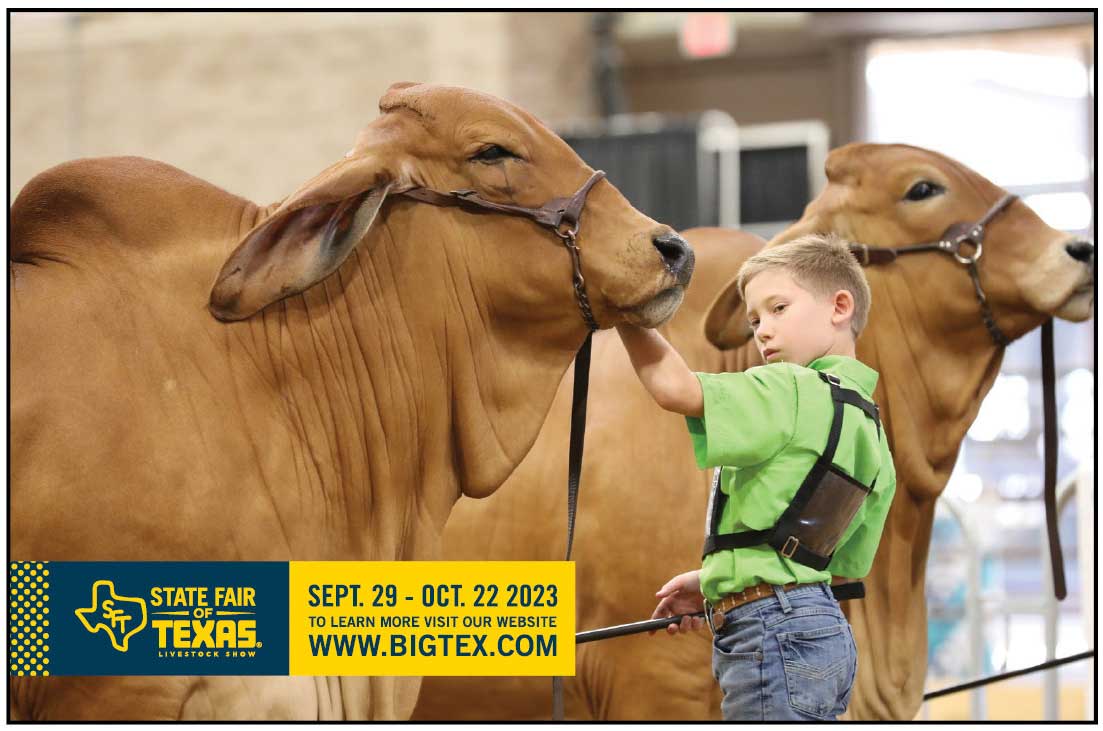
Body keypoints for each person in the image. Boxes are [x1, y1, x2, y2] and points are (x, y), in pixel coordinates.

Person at [616, 233, 896, 721]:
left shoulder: (790, 386)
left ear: (840, 306)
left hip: (770, 632)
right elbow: (829, 558)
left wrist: (625, 309)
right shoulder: (870, 425)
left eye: (779, 308)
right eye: (755, 320)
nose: (763, 331)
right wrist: (717, 581)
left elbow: (673, 388)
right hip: (825, 633)